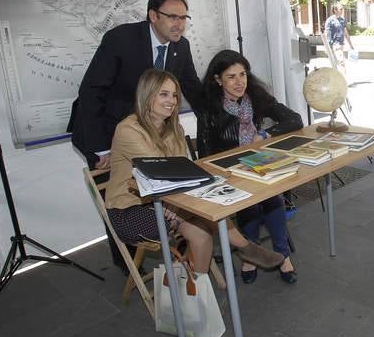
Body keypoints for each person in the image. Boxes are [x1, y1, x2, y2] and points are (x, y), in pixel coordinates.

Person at [71, 0, 203, 272]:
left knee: (157, 183)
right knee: (118, 192)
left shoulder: (181, 47)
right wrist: (102, 147)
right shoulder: (121, 39)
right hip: (104, 128)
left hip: (148, 130)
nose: (179, 24)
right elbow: (91, 92)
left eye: (183, 17)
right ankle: (128, 261)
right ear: (153, 16)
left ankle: (180, 250)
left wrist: (216, 115)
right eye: (172, 17)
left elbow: (192, 87)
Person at [104, 69, 284, 274]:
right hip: (130, 210)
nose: (171, 100)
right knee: (209, 210)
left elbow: (183, 168)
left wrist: (178, 201)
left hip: (169, 202)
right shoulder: (128, 129)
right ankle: (246, 248)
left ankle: (199, 290)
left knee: (203, 232)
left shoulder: (173, 127)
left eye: (174, 95)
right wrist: (177, 201)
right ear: (147, 94)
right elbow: (160, 169)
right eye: (163, 94)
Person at [197, 50, 303, 284]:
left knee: (271, 197)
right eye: (231, 76)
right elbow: (204, 155)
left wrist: (265, 133)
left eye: (242, 74)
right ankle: (251, 255)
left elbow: (295, 120)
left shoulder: (255, 95)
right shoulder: (208, 109)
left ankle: (281, 255)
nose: (239, 82)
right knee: (251, 202)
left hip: (258, 164)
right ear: (217, 80)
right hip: (228, 172)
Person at [324, 4, 355, 75]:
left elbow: (346, 33)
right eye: (340, 9)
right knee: (340, 63)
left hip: (340, 45)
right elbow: (327, 34)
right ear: (335, 10)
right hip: (333, 45)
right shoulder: (330, 20)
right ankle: (342, 81)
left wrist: (351, 45)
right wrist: (327, 47)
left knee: (339, 63)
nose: (342, 10)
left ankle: (339, 81)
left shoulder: (342, 20)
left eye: (342, 9)